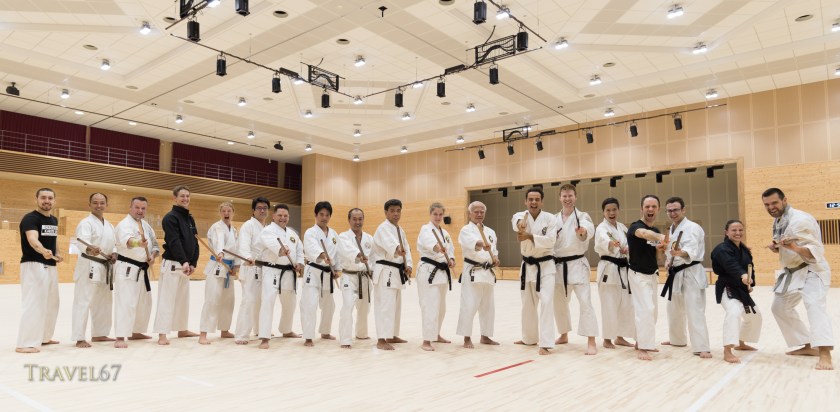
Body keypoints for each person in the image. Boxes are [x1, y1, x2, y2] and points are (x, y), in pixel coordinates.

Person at [763, 187, 834, 370]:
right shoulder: (780, 220)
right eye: (767, 204)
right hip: (792, 272)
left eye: (774, 203)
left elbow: (815, 250)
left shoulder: (800, 220)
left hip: (812, 270)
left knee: (815, 307)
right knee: (779, 307)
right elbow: (788, 242)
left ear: (784, 200)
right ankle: (807, 344)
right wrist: (777, 247)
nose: (771, 207)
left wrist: (794, 248)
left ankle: (824, 353)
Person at [660, 197, 712, 358]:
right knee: (673, 309)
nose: (672, 213)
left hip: (691, 272)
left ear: (684, 210)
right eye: (669, 210)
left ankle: (701, 346)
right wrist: (669, 260)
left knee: (694, 309)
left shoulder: (693, 227)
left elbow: (692, 250)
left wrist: (680, 253)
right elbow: (670, 251)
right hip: (675, 272)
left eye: (675, 209)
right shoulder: (672, 229)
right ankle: (677, 339)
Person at [552, 184, 598, 355]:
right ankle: (563, 334)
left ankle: (591, 340)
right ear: (560, 198)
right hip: (558, 266)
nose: (567, 199)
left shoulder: (582, 216)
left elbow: (587, 232)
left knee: (585, 302)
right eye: (564, 196)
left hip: (577, 265)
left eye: (570, 195)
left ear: (575, 197)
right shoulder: (554, 219)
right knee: (560, 303)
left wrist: (583, 233)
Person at [512, 187, 558, 355]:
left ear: (542, 201)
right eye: (530, 199)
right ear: (526, 201)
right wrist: (520, 226)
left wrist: (530, 236)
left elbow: (551, 241)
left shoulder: (551, 219)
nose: (533, 202)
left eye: (537, 199)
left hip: (545, 267)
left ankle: (546, 343)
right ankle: (529, 338)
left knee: (546, 303)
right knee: (527, 305)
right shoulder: (519, 216)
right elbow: (517, 223)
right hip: (527, 267)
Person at [16, 188, 62, 353]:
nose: (47, 201)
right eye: (43, 197)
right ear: (36, 199)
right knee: (34, 303)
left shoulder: (54, 220)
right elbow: (33, 239)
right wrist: (43, 251)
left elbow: (53, 240)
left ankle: (43, 337)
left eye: (50, 198)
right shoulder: (30, 218)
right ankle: (25, 343)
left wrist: (58, 253)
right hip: (33, 264)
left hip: (50, 266)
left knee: (52, 303)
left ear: (54, 201)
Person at [154, 185, 200, 345]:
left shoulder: (190, 218)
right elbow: (174, 241)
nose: (185, 199)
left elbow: (195, 241)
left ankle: (182, 329)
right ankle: (162, 334)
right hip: (173, 264)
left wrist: (193, 262)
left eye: (187, 196)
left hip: (186, 265)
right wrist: (184, 261)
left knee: (182, 300)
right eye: (182, 196)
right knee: (166, 300)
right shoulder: (170, 218)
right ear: (174, 198)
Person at [711, 219, 760, 364]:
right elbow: (730, 265)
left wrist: (751, 282)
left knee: (755, 316)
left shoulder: (744, 250)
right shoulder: (721, 249)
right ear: (726, 232)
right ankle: (727, 350)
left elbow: (751, 268)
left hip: (741, 288)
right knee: (733, 312)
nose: (738, 233)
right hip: (727, 286)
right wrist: (743, 275)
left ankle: (741, 343)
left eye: (740, 230)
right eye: (734, 230)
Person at [70, 192, 116, 348]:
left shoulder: (109, 225)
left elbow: (114, 243)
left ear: (106, 205)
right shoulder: (86, 223)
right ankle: (79, 337)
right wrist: (90, 249)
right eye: (95, 202)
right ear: (89, 205)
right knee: (83, 301)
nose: (99, 206)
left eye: (102, 203)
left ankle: (100, 334)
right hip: (89, 265)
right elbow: (82, 243)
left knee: (103, 302)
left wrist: (114, 253)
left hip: (105, 266)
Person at [113, 196, 159, 348]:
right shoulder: (124, 224)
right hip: (127, 268)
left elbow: (155, 245)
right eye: (137, 207)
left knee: (143, 303)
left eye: (143, 208)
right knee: (125, 302)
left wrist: (152, 256)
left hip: (142, 269)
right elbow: (129, 241)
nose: (140, 211)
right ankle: (120, 336)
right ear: (130, 207)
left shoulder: (146, 226)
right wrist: (139, 242)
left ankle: (135, 331)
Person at [627, 194, 668, 361]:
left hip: (652, 275)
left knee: (653, 311)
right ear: (641, 209)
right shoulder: (635, 227)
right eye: (647, 206)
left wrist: (661, 248)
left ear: (658, 209)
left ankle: (641, 341)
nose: (650, 209)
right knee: (645, 309)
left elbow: (658, 257)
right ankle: (643, 347)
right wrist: (660, 237)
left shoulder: (656, 231)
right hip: (638, 275)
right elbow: (644, 234)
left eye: (653, 207)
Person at [257, 204, 304, 349]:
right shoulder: (268, 231)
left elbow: (300, 249)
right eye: (280, 215)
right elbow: (273, 245)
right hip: (272, 270)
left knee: (290, 302)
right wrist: (281, 250)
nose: (283, 218)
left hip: (289, 272)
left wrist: (300, 263)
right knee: (268, 302)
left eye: (286, 216)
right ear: (274, 216)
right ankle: (264, 337)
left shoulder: (292, 233)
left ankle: (286, 329)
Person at [456, 201, 500, 349]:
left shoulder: (491, 232)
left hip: (487, 272)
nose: (479, 214)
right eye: (476, 211)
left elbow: (494, 250)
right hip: (473, 271)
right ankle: (466, 337)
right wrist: (481, 244)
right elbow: (473, 244)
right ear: (470, 213)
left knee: (488, 306)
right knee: (469, 305)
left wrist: (495, 258)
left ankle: (485, 336)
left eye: (482, 211)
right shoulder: (466, 230)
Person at [372, 199, 413, 351]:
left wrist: (408, 265)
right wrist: (397, 249)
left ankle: (392, 334)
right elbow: (392, 245)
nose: (396, 214)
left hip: (396, 271)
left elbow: (407, 248)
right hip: (385, 271)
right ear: (386, 212)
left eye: (398, 210)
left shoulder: (400, 230)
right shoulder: (383, 228)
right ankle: (381, 339)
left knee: (395, 306)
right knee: (385, 305)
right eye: (392, 211)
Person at [594, 197, 634, 349]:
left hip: (623, 270)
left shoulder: (623, 227)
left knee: (624, 304)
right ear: (603, 212)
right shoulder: (601, 228)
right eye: (608, 210)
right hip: (609, 269)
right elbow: (603, 242)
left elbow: (629, 244)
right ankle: (607, 339)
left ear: (619, 210)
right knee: (609, 305)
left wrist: (627, 249)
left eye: (614, 209)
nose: (611, 213)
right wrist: (611, 244)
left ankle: (620, 336)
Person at [416, 202, 456, 351]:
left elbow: (450, 250)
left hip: (441, 273)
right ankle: (426, 340)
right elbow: (429, 244)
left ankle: (436, 334)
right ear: (430, 214)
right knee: (429, 306)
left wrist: (451, 260)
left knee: (441, 307)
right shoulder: (426, 229)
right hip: (428, 272)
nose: (438, 217)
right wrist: (438, 247)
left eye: (440, 214)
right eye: (435, 214)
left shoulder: (445, 233)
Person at [301, 201, 340, 347]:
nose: (324, 218)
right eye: (321, 214)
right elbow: (312, 248)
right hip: (314, 271)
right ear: (315, 215)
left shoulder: (334, 234)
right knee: (310, 303)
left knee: (329, 305)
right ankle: (308, 337)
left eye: (327, 215)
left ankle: (325, 331)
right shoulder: (310, 232)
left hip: (328, 273)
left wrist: (336, 268)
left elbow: (337, 254)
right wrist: (323, 255)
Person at [198, 202, 238, 344]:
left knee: (228, 301)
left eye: (229, 211)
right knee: (212, 300)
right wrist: (220, 252)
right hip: (216, 267)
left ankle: (224, 329)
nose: (226, 213)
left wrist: (236, 267)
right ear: (220, 213)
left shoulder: (234, 230)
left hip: (229, 269)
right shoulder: (216, 227)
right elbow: (218, 241)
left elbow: (236, 250)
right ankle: (203, 333)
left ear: (233, 213)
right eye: (223, 211)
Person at [233, 197, 270, 345]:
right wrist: (248, 257)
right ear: (253, 210)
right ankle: (241, 334)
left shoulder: (268, 228)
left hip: (264, 268)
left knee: (261, 300)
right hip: (250, 267)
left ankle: (260, 329)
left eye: (265, 208)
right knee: (249, 301)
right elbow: (243, 245)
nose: (262, 210)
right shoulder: (248, 226)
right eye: (259, 208)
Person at [336, 208, 374, 348]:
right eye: (354, 219)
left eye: (360, 219)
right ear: (349, 220)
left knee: (365, 307)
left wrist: (373, 271)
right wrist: (359, 256)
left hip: (364, 277)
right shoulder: (343, 237)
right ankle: (345, 339)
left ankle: (361, 333)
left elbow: (374, 258)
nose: (358, 222)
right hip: (349, 276)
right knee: (347, 306)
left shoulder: (369, 238)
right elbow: (347, 250)